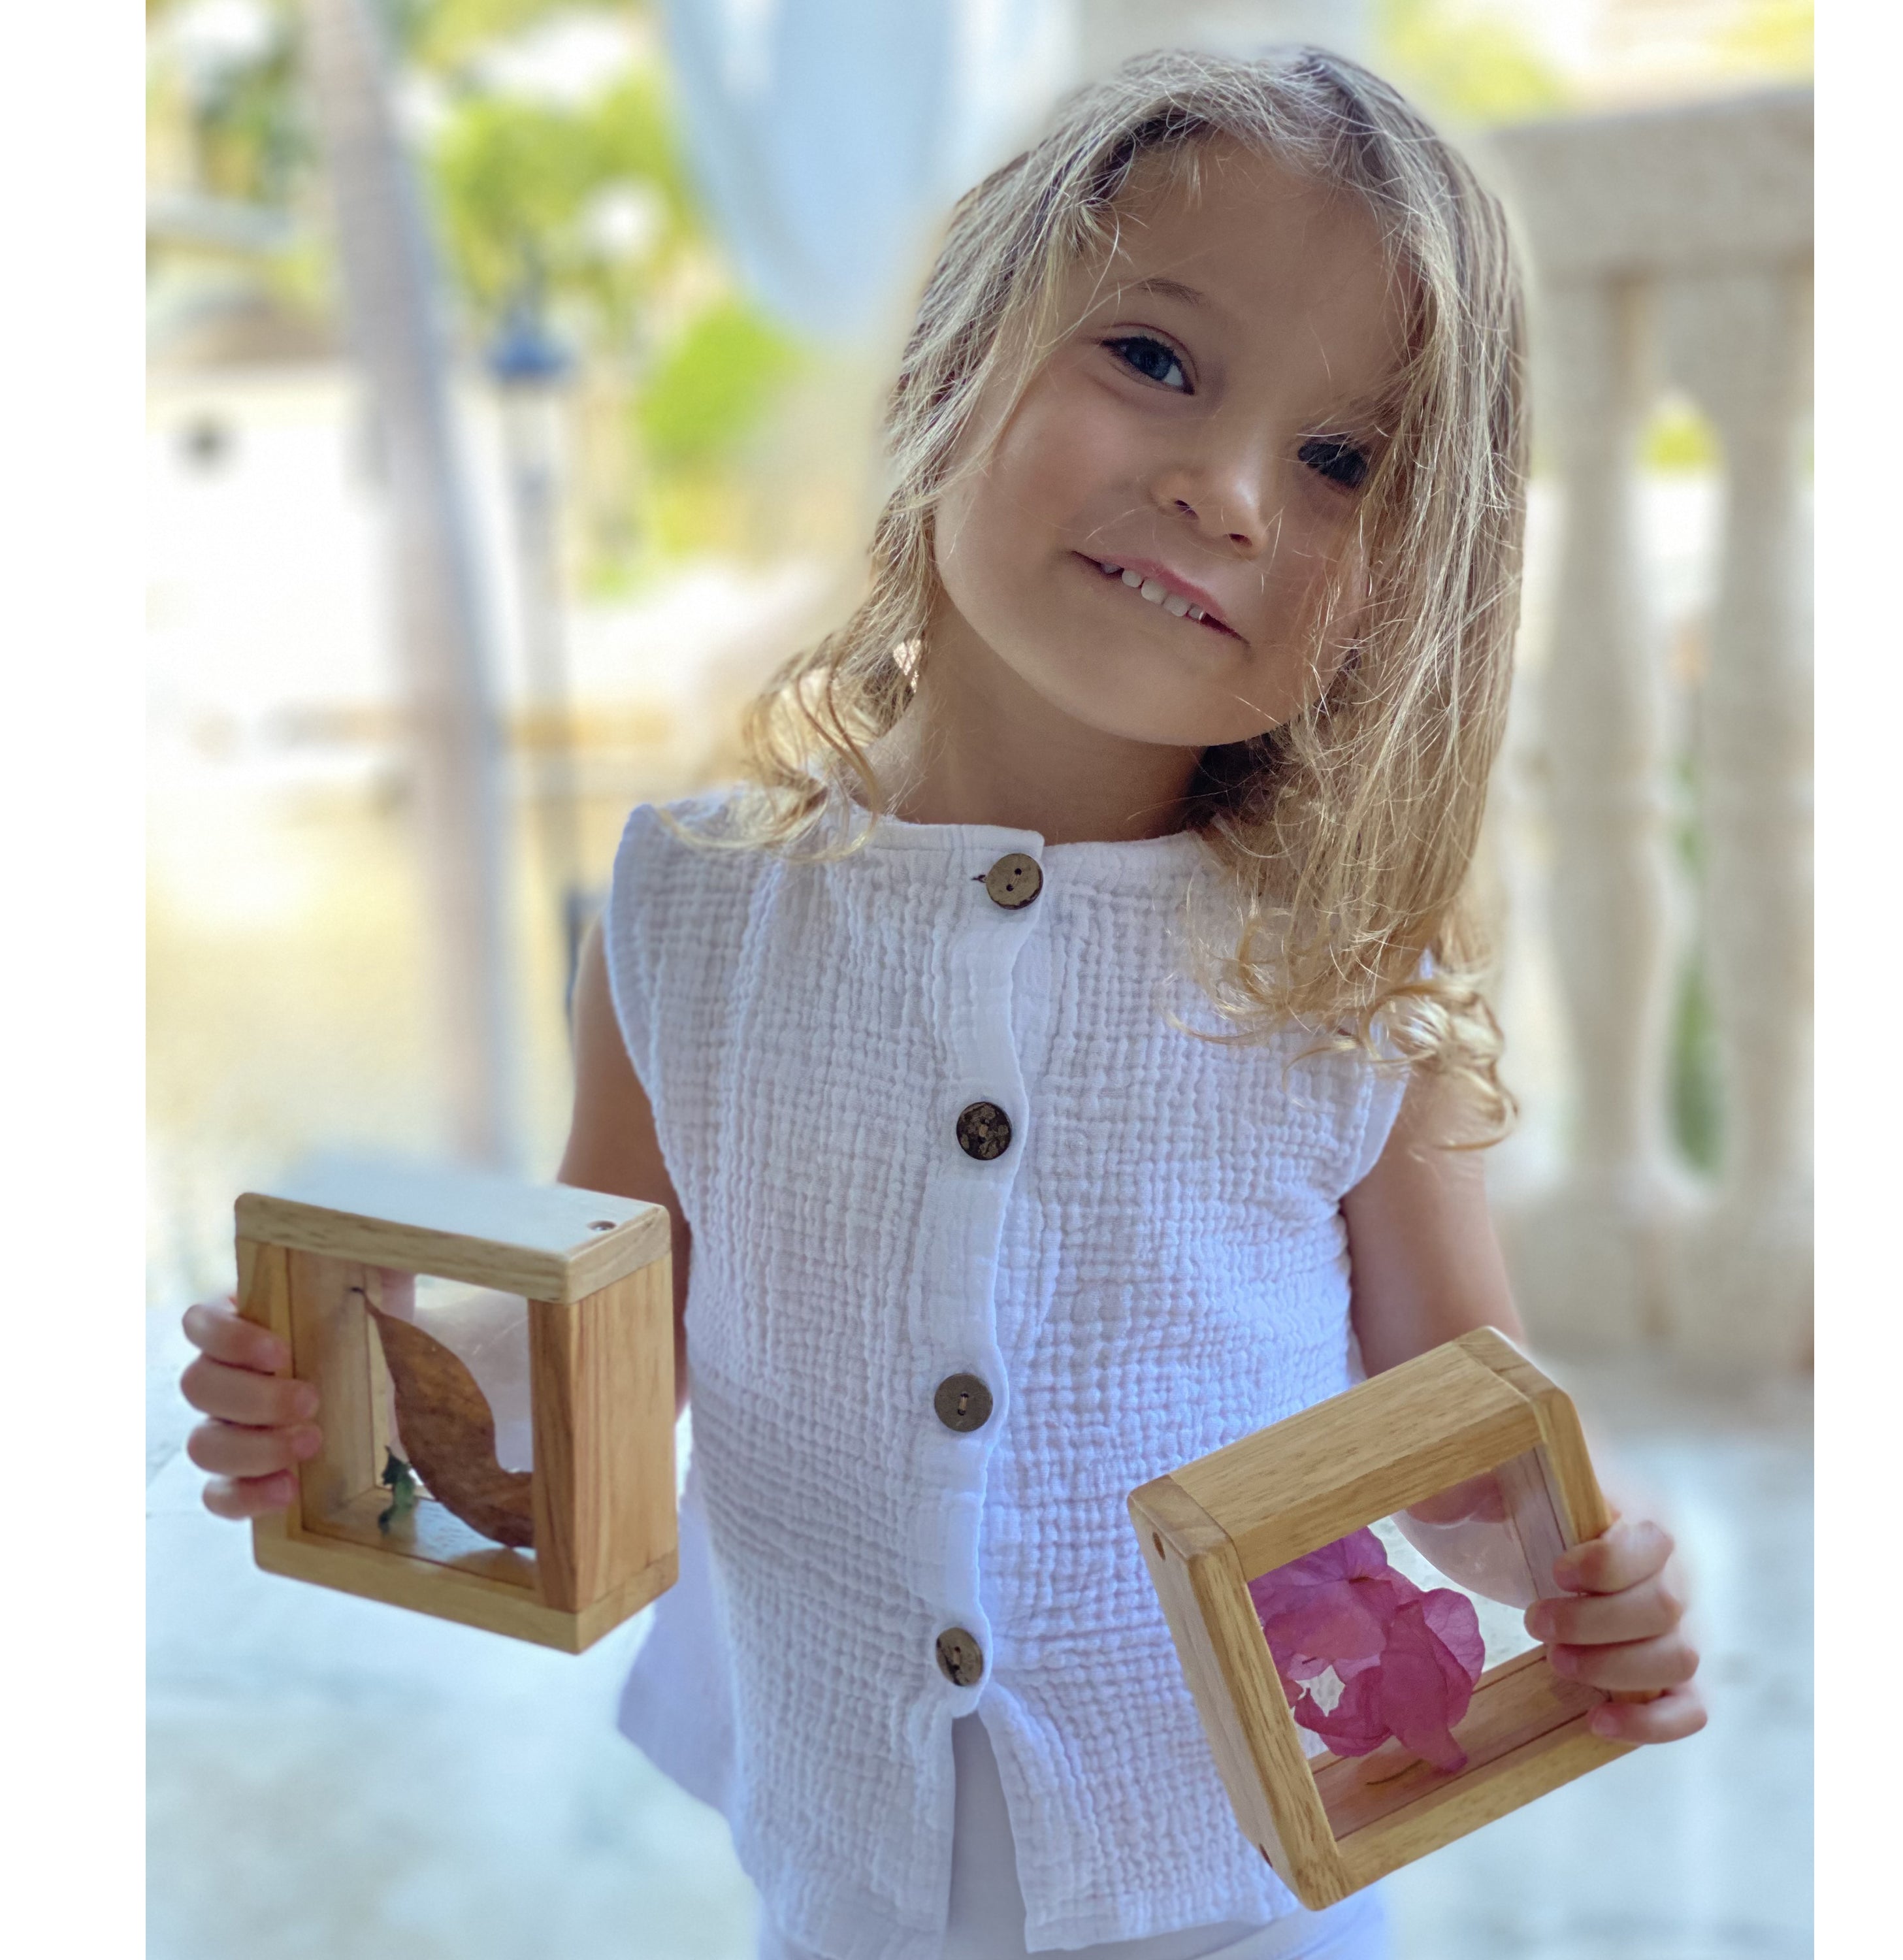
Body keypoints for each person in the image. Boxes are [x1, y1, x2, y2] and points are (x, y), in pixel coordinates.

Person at [178, 46, 1705, 1960]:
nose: (1221, 486)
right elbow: (598, 1383)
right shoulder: (693, 912)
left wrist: (1592, 1555)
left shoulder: (1341, 975)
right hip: (850, 1889)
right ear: (951, 364)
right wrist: (361, 1411)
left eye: (1340, 462)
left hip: (1239, 1890)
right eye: (1153, 358)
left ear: (1412, 593)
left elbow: (1461, 1419)